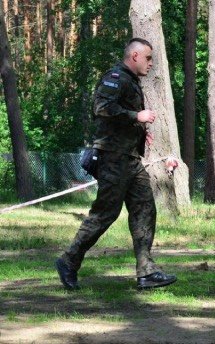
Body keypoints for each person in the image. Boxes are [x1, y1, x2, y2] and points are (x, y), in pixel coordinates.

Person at [55, 38, 177, 291]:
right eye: (148, 58)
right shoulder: (115, 76)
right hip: (113, 158)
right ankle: (69, 260)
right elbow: (102, 107)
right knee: (105, 213)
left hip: (130, 159)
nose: (151, 63)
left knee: (145, 209)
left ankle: (146, 271)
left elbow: (118, 117)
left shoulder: (131, 81)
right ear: (134, 56)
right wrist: (136, 116)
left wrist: (140, 129)